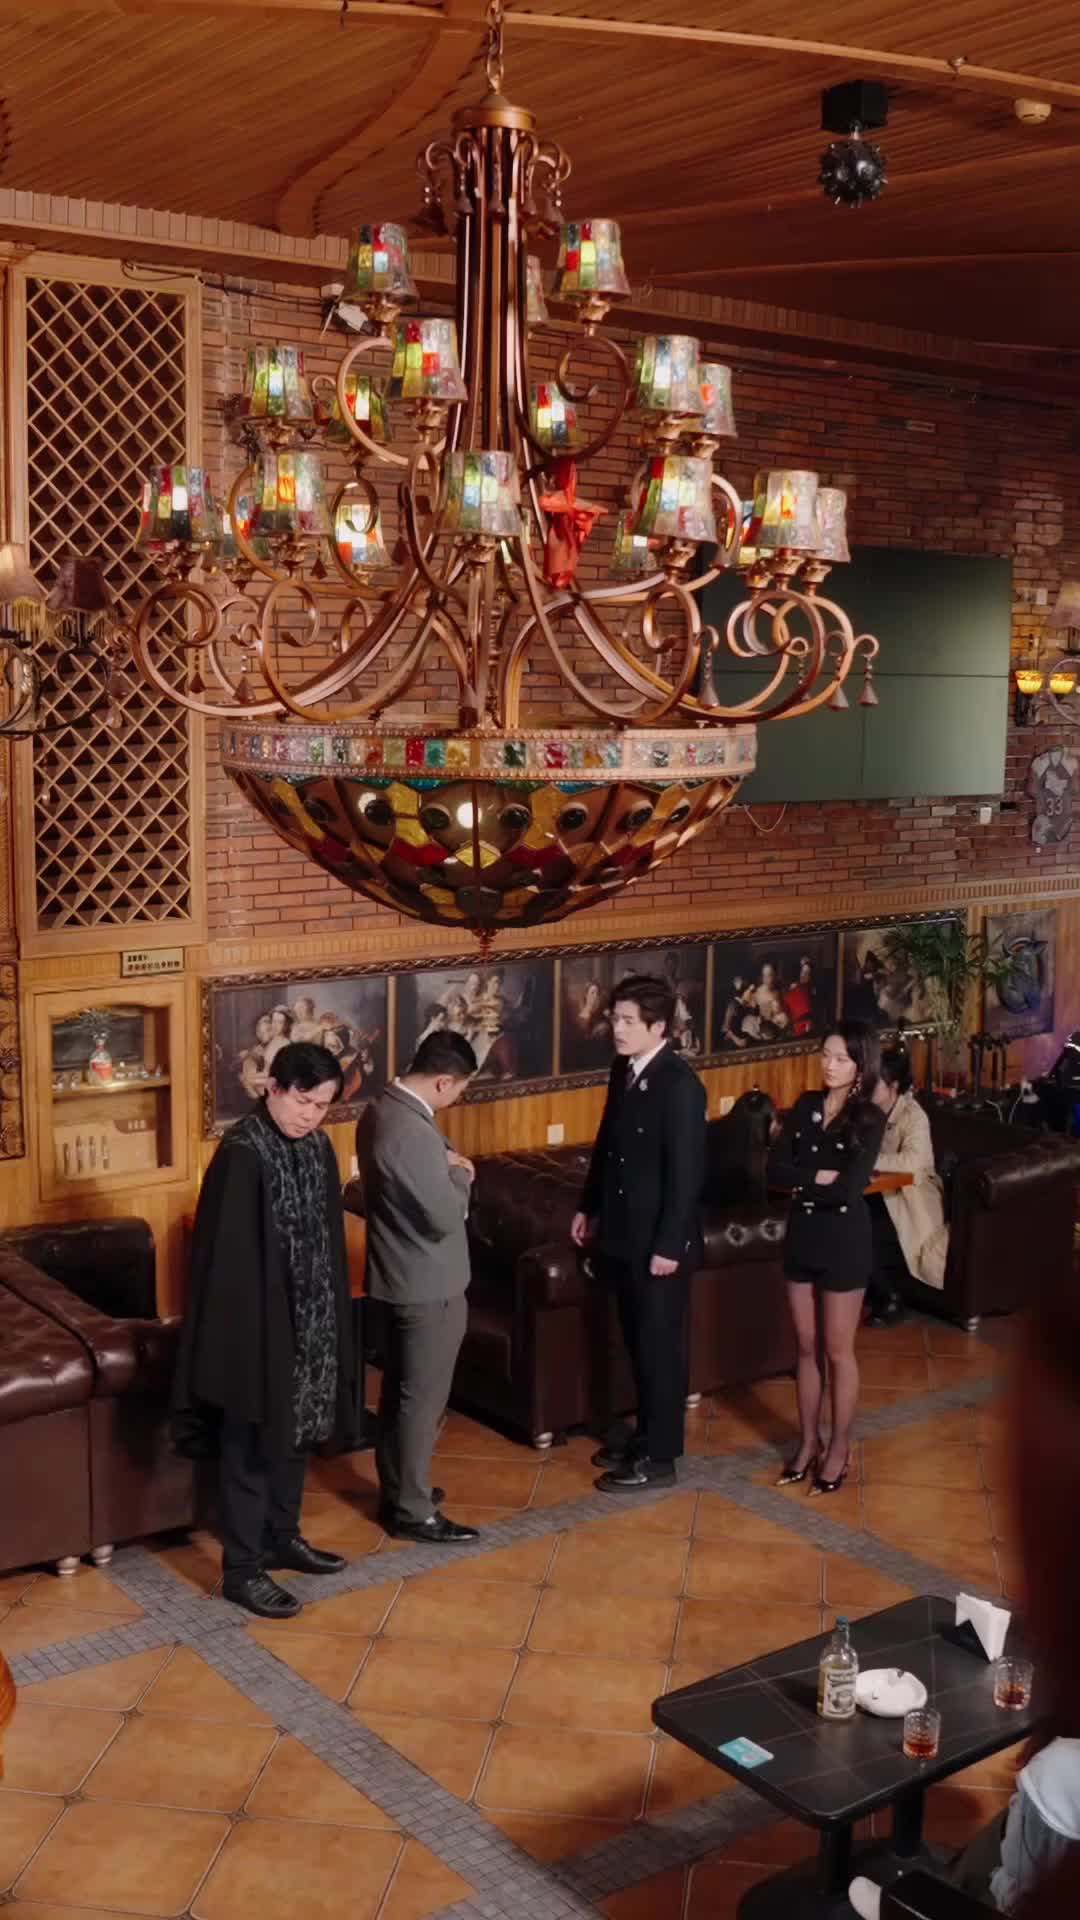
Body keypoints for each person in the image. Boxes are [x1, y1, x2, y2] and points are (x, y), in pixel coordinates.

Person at [172, 1042, 355, 1621]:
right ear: (272, 1088)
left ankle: (281, 1536)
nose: (311, 1115)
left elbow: (329, 1243)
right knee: (249, 1447)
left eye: (322, 1106)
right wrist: (259, 1341)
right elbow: (227, 1268)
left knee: (297, 1437)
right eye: (302, 1101)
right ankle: (243, 1569)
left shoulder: (319, 1147)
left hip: (312, 1328)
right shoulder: (242, 1155)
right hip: (256, 1334)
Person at [571, 974, 707, 1494]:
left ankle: (661, 1456)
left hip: (660, 1244)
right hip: (625, 1234)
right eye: (616, 1019)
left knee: (659, 1349)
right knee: (636, 1341)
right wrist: (589, 1206)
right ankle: (644, 1437)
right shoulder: (622, 1070)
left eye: (628, 1021)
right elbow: (608, 1144)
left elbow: (686, 1175)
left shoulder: (680, 1085)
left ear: (659, 1027)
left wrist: (670, 1245)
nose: (617, 1029)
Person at [356, 1029, 481, 1544]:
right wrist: (462, 1175)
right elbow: (443, 1218)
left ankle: (401, 1490)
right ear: (443, 1081)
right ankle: (411, 1508)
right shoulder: (411, 1131)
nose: (458, 1098)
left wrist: (443, 1165)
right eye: (460, 1089)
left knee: (401, 1395)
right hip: (427, 1285)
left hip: (396, 1276)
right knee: (420, 1401)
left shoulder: (379, 1110)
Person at [767, 1019, 886, 1495]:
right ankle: (808, 1442)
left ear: (860, 1065)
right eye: (825, 1056)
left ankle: (839, 1449)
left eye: (841, 1058)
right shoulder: (805, 1106)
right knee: (805, 1345)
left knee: (838, 1351)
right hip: (803, 1235)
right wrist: (814, 1178)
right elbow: (775, 1169)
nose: (829, 1066)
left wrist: (806, 1179)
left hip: (843, 1240)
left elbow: (850, 1189)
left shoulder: (869, 1118)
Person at [865, 1043, 949, 1326]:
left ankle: (890, 1298)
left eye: (874, 1082)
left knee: (862, 1228)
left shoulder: (914, 1116)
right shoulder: (870, 1112)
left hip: (911, 1198)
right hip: (881, 1192)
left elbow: (912, 1162)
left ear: (893, 1086)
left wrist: (870, 1161)